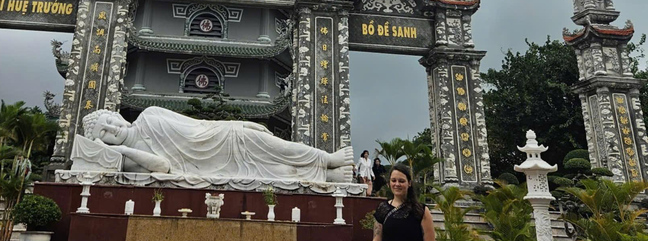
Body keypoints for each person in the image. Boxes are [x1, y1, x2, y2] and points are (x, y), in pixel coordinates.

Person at [81, 107, 354, 182]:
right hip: (205, 167)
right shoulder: (130, 159)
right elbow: (163, 167)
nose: (112, 129)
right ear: (101, 142)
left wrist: (236, 125)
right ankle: (326, 177)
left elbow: (196, 125)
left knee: (276, 147)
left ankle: (326, 159)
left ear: (115, 115)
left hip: (222, 137)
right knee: (274, 174)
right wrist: (123, 150)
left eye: (109, 121)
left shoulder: (150, 114)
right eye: (104, 133)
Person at [372, 163, 435, 241]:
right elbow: (377, 238)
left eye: (401, 181)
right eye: (393, 180)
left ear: (409, 183)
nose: (397, 184)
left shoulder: (421, 211)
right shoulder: (382, 209)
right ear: (389, 183)